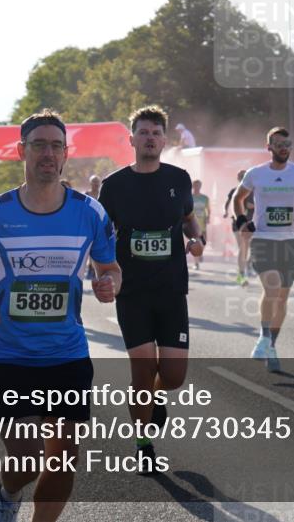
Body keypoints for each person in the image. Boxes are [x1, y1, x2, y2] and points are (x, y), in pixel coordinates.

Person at [0, 109, 120, 522]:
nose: (48, 153)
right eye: (39, 144)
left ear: (66, 154)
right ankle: (7, 494)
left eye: (56, 145)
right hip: (9, 355)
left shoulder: (90, 213)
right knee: (26, 457)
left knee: (62, 460)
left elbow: (110, 267)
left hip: (67, 353)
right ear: (22, 151)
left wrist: (110, 283)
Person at [98, 105, 204, 473]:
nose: (150, 138)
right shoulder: (113, 186)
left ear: (164, 140)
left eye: (156, 133)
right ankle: (143, 443)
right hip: (133, 293)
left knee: (173, 377)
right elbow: (100, 235)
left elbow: (189, 219)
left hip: (171, 290)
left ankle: (155, 397)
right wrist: (102, 272)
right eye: (143, 132)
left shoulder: (179, 178)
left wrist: (196, 238)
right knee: (142, 372)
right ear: (131, 139)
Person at [233, 127, 294, 372]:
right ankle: (263, 337)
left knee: (282, 298)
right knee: (271, 286)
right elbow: (238, 199)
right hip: (263, 239)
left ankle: (270, 345)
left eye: (287, 143)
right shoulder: (256, 174)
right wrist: (243, 222)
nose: (284, 147)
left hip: (289, 242)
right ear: (269, 147)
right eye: (278, 143)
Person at [224, 170, 255, 286]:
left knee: (254, 248)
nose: (243, 179)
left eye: (245, 176)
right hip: (238, 223)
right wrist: (225, 212)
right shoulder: (234, 191)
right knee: (243, 247)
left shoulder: (253, 190)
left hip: (252, 222)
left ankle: (248, 264)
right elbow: (228, 203)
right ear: (238, 178)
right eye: (241, 177)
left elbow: (262, 204)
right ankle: (241, 274)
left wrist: (254, 206)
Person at [190, 179, 210, 270]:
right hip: (193, 225)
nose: (197, 188)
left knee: (204, 241)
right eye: (195, 186)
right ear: (193, 187)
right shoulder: (189, 197)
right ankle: (196, 263)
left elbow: (208, 210)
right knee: (195, 243)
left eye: (199, 186)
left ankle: (200, 253)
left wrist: (208, 217)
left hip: (203, 224)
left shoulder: (205, 198)